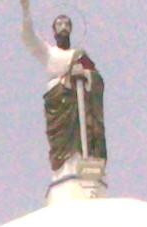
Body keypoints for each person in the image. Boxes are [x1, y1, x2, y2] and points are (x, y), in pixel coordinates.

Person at [19, 2, 106, 175]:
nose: (64, 27)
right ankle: (65, 166)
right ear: (53, 31)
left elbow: (97, 80)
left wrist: (85, 74)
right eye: (59, 24)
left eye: (67, 24)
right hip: (58, 102)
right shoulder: (49, 53)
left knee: (82, 134)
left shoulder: (78, 55)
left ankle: (84, 160)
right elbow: (29, 37)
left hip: (78, 104)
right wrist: (26, 10)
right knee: (61, 143)